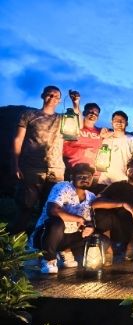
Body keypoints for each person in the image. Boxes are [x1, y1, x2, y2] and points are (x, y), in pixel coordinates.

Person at [32, 164, 133, 273]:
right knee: (56, 223)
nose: (85, 179)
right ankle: (48, 259)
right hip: (45, 235)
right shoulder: (62, 187)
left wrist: (89, 227)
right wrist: (79, 219)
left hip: (69, 237)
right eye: (81, 176)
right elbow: (53, 210)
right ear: (72, 177)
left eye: (88, 177)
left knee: (102, 240)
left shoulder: (90, 196)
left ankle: (66, 251)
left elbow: (92, 215)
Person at [12, 85, 68, 235]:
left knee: (49, 207)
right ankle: (14, 242)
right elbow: (18, 139)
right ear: (43, 95)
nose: (52, 98)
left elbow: (77, 123)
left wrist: (76, 103)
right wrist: (16, 164)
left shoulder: (62, 119)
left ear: (60, 100)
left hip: (55, 169)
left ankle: (40, 242)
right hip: (31, 166)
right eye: (50, 95)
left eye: (56, 96)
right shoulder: (29, 114)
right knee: (26, 205)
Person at [95, 159, 133, 261]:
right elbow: (96, 202)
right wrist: (122, 204)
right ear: (126, 171)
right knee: (101, 215)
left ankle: (130, 247)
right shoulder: (116, 186)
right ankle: (108, 248)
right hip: (117, 223)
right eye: (132, 169)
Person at [61, 100, 107, 174]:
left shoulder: (101, 132)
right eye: (90, 112)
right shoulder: (73, 128)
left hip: (93, 174)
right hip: (73, 170)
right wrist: (83, 152)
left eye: (96, 113)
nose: (93, 114)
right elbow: (62, 148)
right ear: (84, 113)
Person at [95, 110, 133, 186]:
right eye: (116, 120)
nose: (119, 122)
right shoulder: (105, 140)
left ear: (127, 123)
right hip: (104, 182)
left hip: (124, 182)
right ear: (111, 122)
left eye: (122, 120)